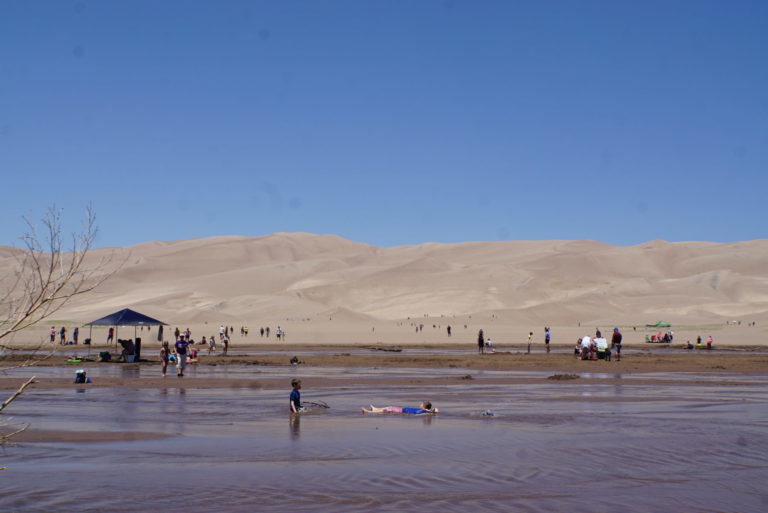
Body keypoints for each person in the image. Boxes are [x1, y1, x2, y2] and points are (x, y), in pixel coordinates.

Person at [361, 401, 438, 414]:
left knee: (386, 409)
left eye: (421, 404)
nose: (420, 405)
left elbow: (432, 411)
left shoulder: (423, 410)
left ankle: (368, 412)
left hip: (400, 411)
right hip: (400, 409)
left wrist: (433, 411)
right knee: (389, 407)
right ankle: (375, 409)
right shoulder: (423, 410)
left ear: (424, 406)